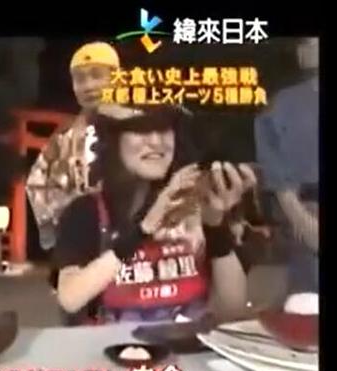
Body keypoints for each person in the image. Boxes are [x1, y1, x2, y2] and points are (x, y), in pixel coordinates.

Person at [53, 105, 256, 325]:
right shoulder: (87, 211)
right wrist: (144, 228)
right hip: (115, 344)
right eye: (140, 129)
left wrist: (217, 226)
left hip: (189, 341)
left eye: (164, 128)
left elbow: (232, 308)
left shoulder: (197, 203)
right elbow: (70, 298)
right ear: (113, 140)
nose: (156, 141)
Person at [26, 41, 134, 253]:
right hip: (83, 243)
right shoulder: (65, 136)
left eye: (96, 75)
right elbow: (37, 182)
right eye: (80, 79)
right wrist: (61, 225)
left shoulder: (142, 125)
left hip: (135, 238)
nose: (88, 86)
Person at [254, 37, 319, 294]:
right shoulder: (282, 104)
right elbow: (275, 171)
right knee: (307, 297)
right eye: (305, 43)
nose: (306, 49)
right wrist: (302, 220)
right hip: (305, 211)